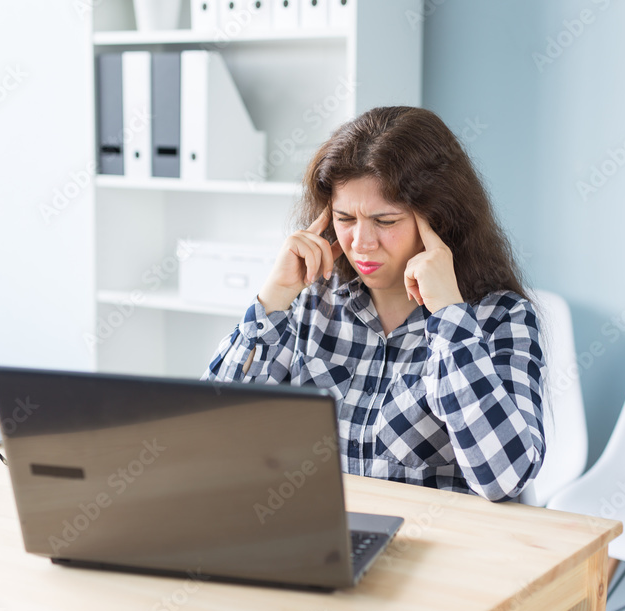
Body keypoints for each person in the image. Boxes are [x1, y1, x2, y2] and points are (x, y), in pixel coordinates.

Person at [202, 106, 544, 502]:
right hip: (323, 541)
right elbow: (211, 437)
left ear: (441, 219)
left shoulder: (501, 318)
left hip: (440, 550)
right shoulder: (311, 301)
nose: (361, 244)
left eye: (385, 221)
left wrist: (450, 317)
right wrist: (274, 297)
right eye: (345, 219)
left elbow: (504, 478)